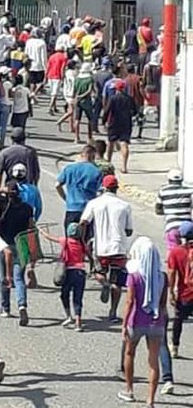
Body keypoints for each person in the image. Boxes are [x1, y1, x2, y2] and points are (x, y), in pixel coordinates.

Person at [119, 237, 167, 407]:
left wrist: (124, 325)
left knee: (130, 353)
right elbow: (162, 304)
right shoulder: (162, 276)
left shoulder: (134, 276)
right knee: (153, 361)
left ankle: (129, 390)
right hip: (156, 322)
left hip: (136, 320)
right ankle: (151, 399)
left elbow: (129, 301)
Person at [80, 174, 134, 322]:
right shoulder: (125, 206)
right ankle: (113, 312)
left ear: (103, 188)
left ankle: (104, 283)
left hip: (101, 247)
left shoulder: (94, 203)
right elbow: (129, 231)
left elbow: (83, 222)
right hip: (119, 248)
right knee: (117, 283)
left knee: (98, 272)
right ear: (116, 188)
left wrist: (83, 241)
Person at [0, 182, 35, 325]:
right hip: (21, 244)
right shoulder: (27, 208)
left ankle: (5, 307)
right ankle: (22, 305)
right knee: (19, 278)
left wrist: (1, 191)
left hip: (4, 245)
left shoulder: (3, 203)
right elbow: (31, 227)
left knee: (3, 276)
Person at [40, 223, 88, 331]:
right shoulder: (82, 244)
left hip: (68, 272)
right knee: (78, 298)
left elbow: (51, 238)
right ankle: (78, 322)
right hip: (81, 273)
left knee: (64, 294)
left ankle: (68, 316)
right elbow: (89, 254)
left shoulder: (65, 241)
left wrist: (42, 232)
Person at [56, 145, 103, 231]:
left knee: (70, 239)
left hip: (71, 208)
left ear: (81, 155)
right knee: (87, 240)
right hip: (88, 210)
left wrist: (65, 198)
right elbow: (100, 193)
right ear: (93, 156)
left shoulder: (69, 168)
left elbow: (57, 185)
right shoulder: (97, 171)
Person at [167, 221, 193, 359]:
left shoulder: (176, 252)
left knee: (178, 320)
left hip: (185, 294)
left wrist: (171, 292)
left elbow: (172, 273)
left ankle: (175, 347)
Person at [103, 79, 136, 174]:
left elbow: (107, 110)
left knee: (111, 143)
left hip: (114, 122)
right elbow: (134, 111)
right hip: (126, 123)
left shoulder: (113, 98)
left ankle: (108, 164)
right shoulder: (129, 98)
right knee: (124, 143)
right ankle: (124, 166)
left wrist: (103, 121)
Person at [155, 169, 193, 243]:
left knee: (174, 253)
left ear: (169, 180)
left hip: (172, 227)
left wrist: (169, 211)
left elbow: (158, 210)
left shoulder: (163, 191)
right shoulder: (190, 190)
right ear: (181, 180)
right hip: (188, 228)